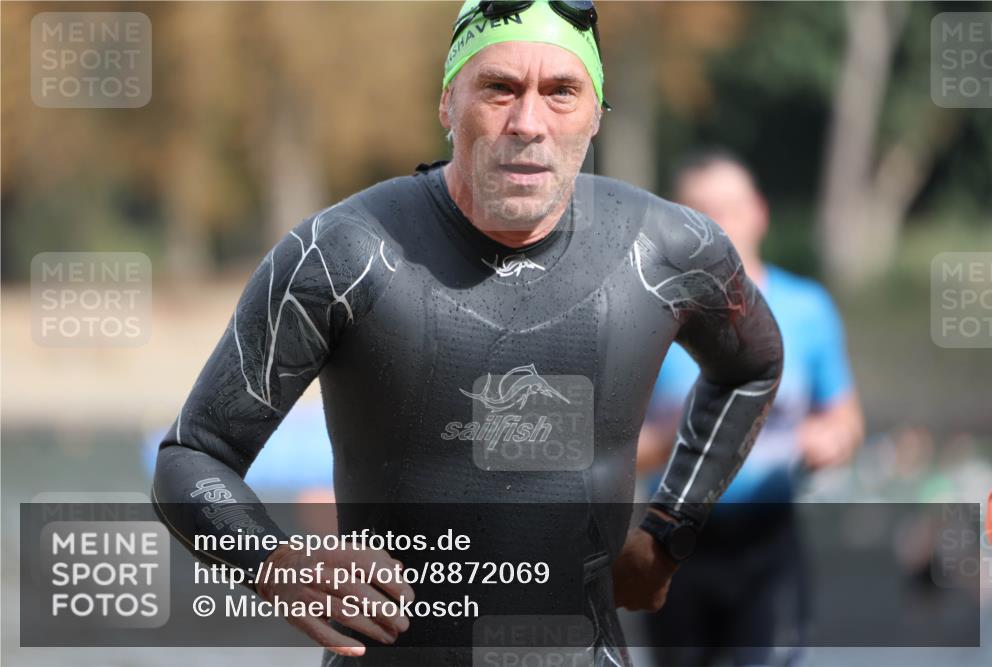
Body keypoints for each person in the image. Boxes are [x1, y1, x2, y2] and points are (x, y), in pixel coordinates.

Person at [151, 4, 783, 666]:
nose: (528, 123)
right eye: (499, 88)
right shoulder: (342, 255)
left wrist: (669, 529)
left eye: (562, 92)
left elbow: (753, 366)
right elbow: (192, 455)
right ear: (448, 102)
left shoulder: (669, 251)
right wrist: (278, 563)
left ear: (596, 113)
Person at [637, 149, 864, 666]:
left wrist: (831, 441)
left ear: (759, 211)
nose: (718, 228)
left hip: (770, 543)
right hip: (676, 545)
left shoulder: (808, 309)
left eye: (730, 210)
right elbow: (611, 455)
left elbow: (846, 419)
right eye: (701, 213)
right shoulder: (647, 321)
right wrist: (684, 436)